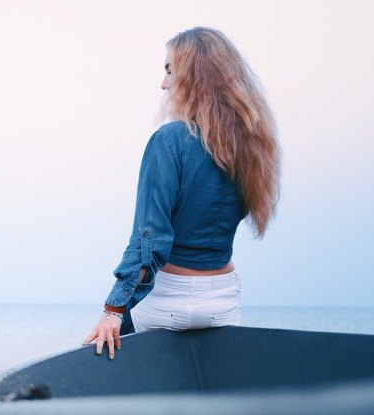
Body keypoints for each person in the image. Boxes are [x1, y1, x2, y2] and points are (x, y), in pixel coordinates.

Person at [82, 27, 280, 360]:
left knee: (106, 354)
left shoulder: (169, 140)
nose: (163, 84)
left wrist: (113, 309)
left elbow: (150, 240)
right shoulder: (252, 146)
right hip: (222, 304)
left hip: (167, 303)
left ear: (192, 76)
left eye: (169, 70)